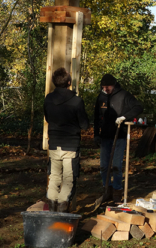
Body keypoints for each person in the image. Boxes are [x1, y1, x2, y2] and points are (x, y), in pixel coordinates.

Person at [44, 67, 89, 212]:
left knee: (54, 177)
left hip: (54, 144)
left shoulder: (48, 99)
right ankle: (62, 209)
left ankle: (52, 209)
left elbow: (47, 118)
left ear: (54, 82)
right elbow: (84, 125)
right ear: (69, 82)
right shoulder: (76, 101)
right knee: (68, 179)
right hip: (70, 146)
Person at [94, 74, 143, 203]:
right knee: (104, 166)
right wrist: (96, 134)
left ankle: (117, 191)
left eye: (108, 87)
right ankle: (107, 189)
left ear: (113, 85)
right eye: (103, 87)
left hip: (119, 135)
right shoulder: (101, 98)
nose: (105, 89)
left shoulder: (124, 96)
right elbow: (96, 117)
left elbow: (138, 107)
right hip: (105, 136)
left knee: (116, 165)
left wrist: (124, 117)